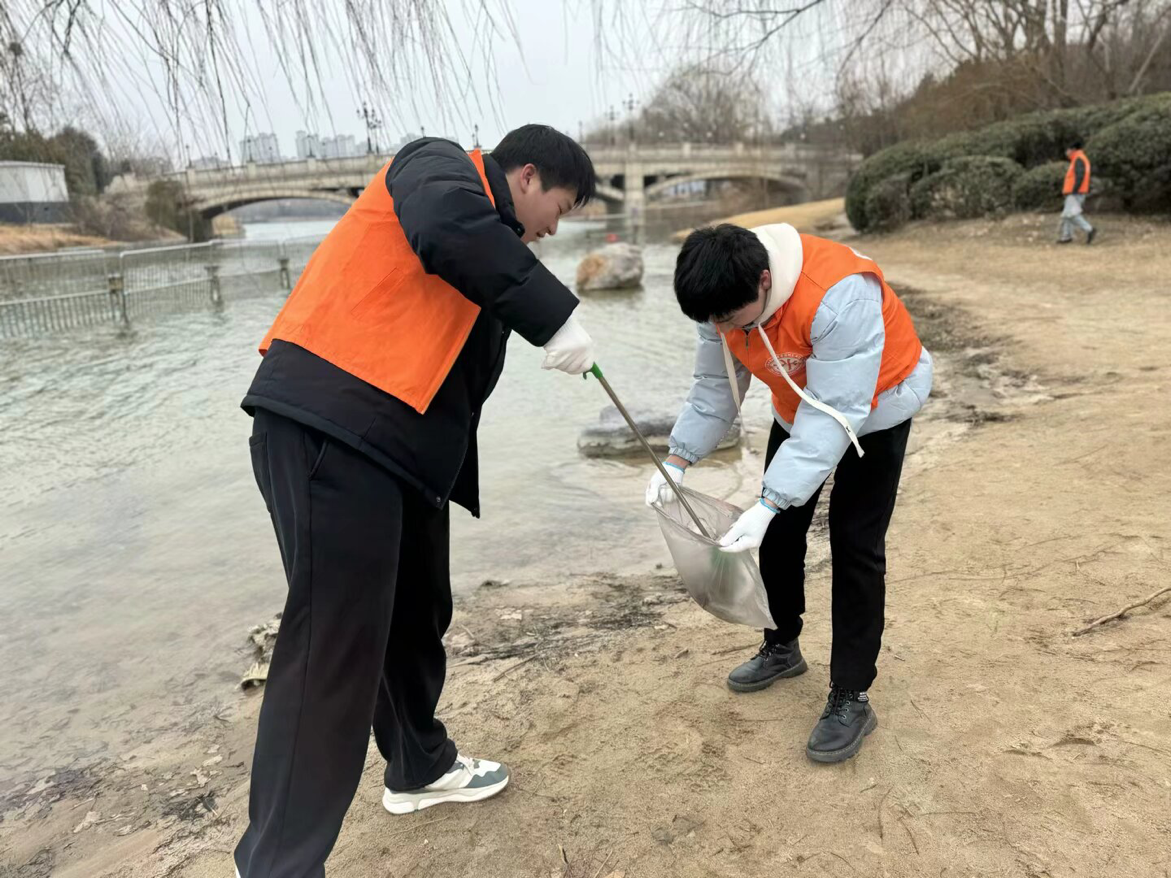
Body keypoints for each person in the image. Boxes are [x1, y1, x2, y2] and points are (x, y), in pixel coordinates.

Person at [234, 125, 597, 878]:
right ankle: (276, 865)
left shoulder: (492, 247)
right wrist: (553, 314)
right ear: (526, 175)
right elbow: (443, 228)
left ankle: (418, 767)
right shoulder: (437, 167)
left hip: (396, 453)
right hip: (331, 429)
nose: (554, 229)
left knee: (416, 613)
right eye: (559, 208)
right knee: (331, 649)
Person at [646, 223, 933, 763]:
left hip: (876, 405)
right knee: (776, 534)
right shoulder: (721, 297)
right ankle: (781, 644)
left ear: (763, 280)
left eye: (728, 319)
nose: (720, 328)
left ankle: (852, 694)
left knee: (855, 544)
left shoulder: (840, 294)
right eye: (712, 321)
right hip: (799, 406)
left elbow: (839, 410)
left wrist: (771, 500)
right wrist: (677, 461)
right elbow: (716, 385)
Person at [1058, 139, 1096, 245]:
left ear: (1073, 149)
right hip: (1077, 191)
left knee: (1071, 214)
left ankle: (1089, 229)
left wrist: (1074, 190)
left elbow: (1080, 176)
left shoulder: (1078, 159)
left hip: (1076, 192)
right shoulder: (1080, 158)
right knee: (1066, 214)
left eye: (1067, 150)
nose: (1066, 152)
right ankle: (1066, 236)